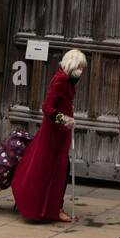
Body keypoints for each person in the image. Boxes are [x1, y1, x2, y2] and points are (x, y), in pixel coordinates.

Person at [11, 49, 86, 223]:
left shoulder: (68, 80)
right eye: (80, 67)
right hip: (54, 131)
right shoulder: (60, 80)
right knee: (55, 169)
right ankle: (52, 207)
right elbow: (47, 107)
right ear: (72, 64)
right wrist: (62, 118)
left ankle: (53, 205)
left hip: (61, 131)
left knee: (59, 169)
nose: (81, 71)